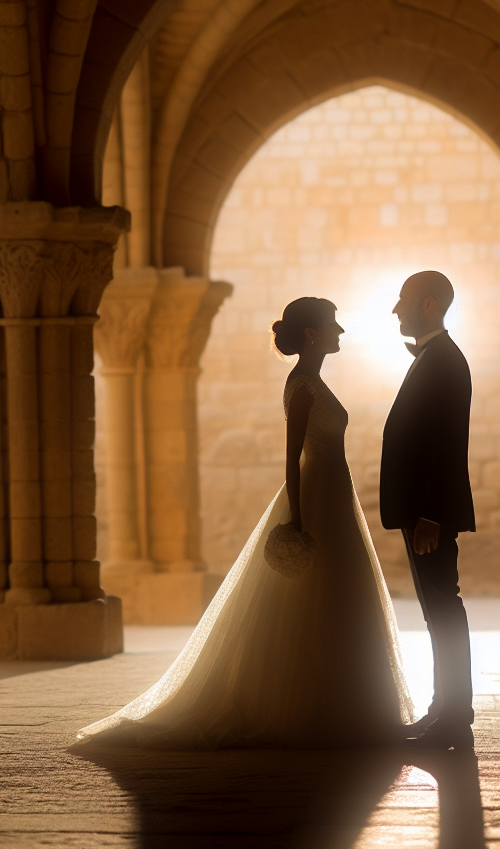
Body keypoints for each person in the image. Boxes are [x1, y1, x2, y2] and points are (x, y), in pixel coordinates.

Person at [78, 297, 412, 748]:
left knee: (338, 599)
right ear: (312, 335)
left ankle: (343, 703)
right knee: (314, 600)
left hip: (335, 494)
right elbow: (292, 456)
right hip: (316, 498)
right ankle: (319, 707)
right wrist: (297, 515)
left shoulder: (313, 380)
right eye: (333, 324)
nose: (341, 332)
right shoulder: (303, 386)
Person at [381, 272, 475, 750]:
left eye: (404, 301)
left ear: (430, 304)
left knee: (443, 606)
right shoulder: (434, 358)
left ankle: (456, 713)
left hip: (428, 513)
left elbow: (446, 443)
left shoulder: (444, 361)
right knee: (436, 608)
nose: (396, 310)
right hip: (422, 510)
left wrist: (433, 514)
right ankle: (447, 706)